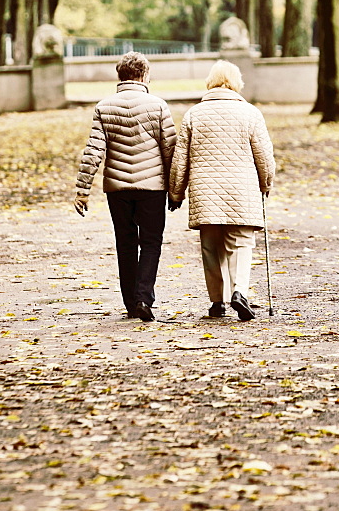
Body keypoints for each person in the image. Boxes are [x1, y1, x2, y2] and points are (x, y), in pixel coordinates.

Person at [168, 59, 275, 321]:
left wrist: (176, 192)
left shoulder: (194, 114)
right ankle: (239, 291)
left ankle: (217, 301)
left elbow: (180, 158)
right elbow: (264, 156)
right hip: (242, 191)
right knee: (240, 243)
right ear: (236, 83)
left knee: (211, 248)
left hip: (206, 193)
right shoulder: (251, 113)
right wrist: (266, 182)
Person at [74, 51, 177, 322]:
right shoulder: (158, 106)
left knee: (126, 243)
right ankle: (145, 297)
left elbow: (94, 151)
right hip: (152, 188)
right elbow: (171, 151)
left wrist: (83, 190)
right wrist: (176, 189)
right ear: (144, 75)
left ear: (120, 75)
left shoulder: (104, 107)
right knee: (151, 242)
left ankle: (131, 304)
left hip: (117, 189)